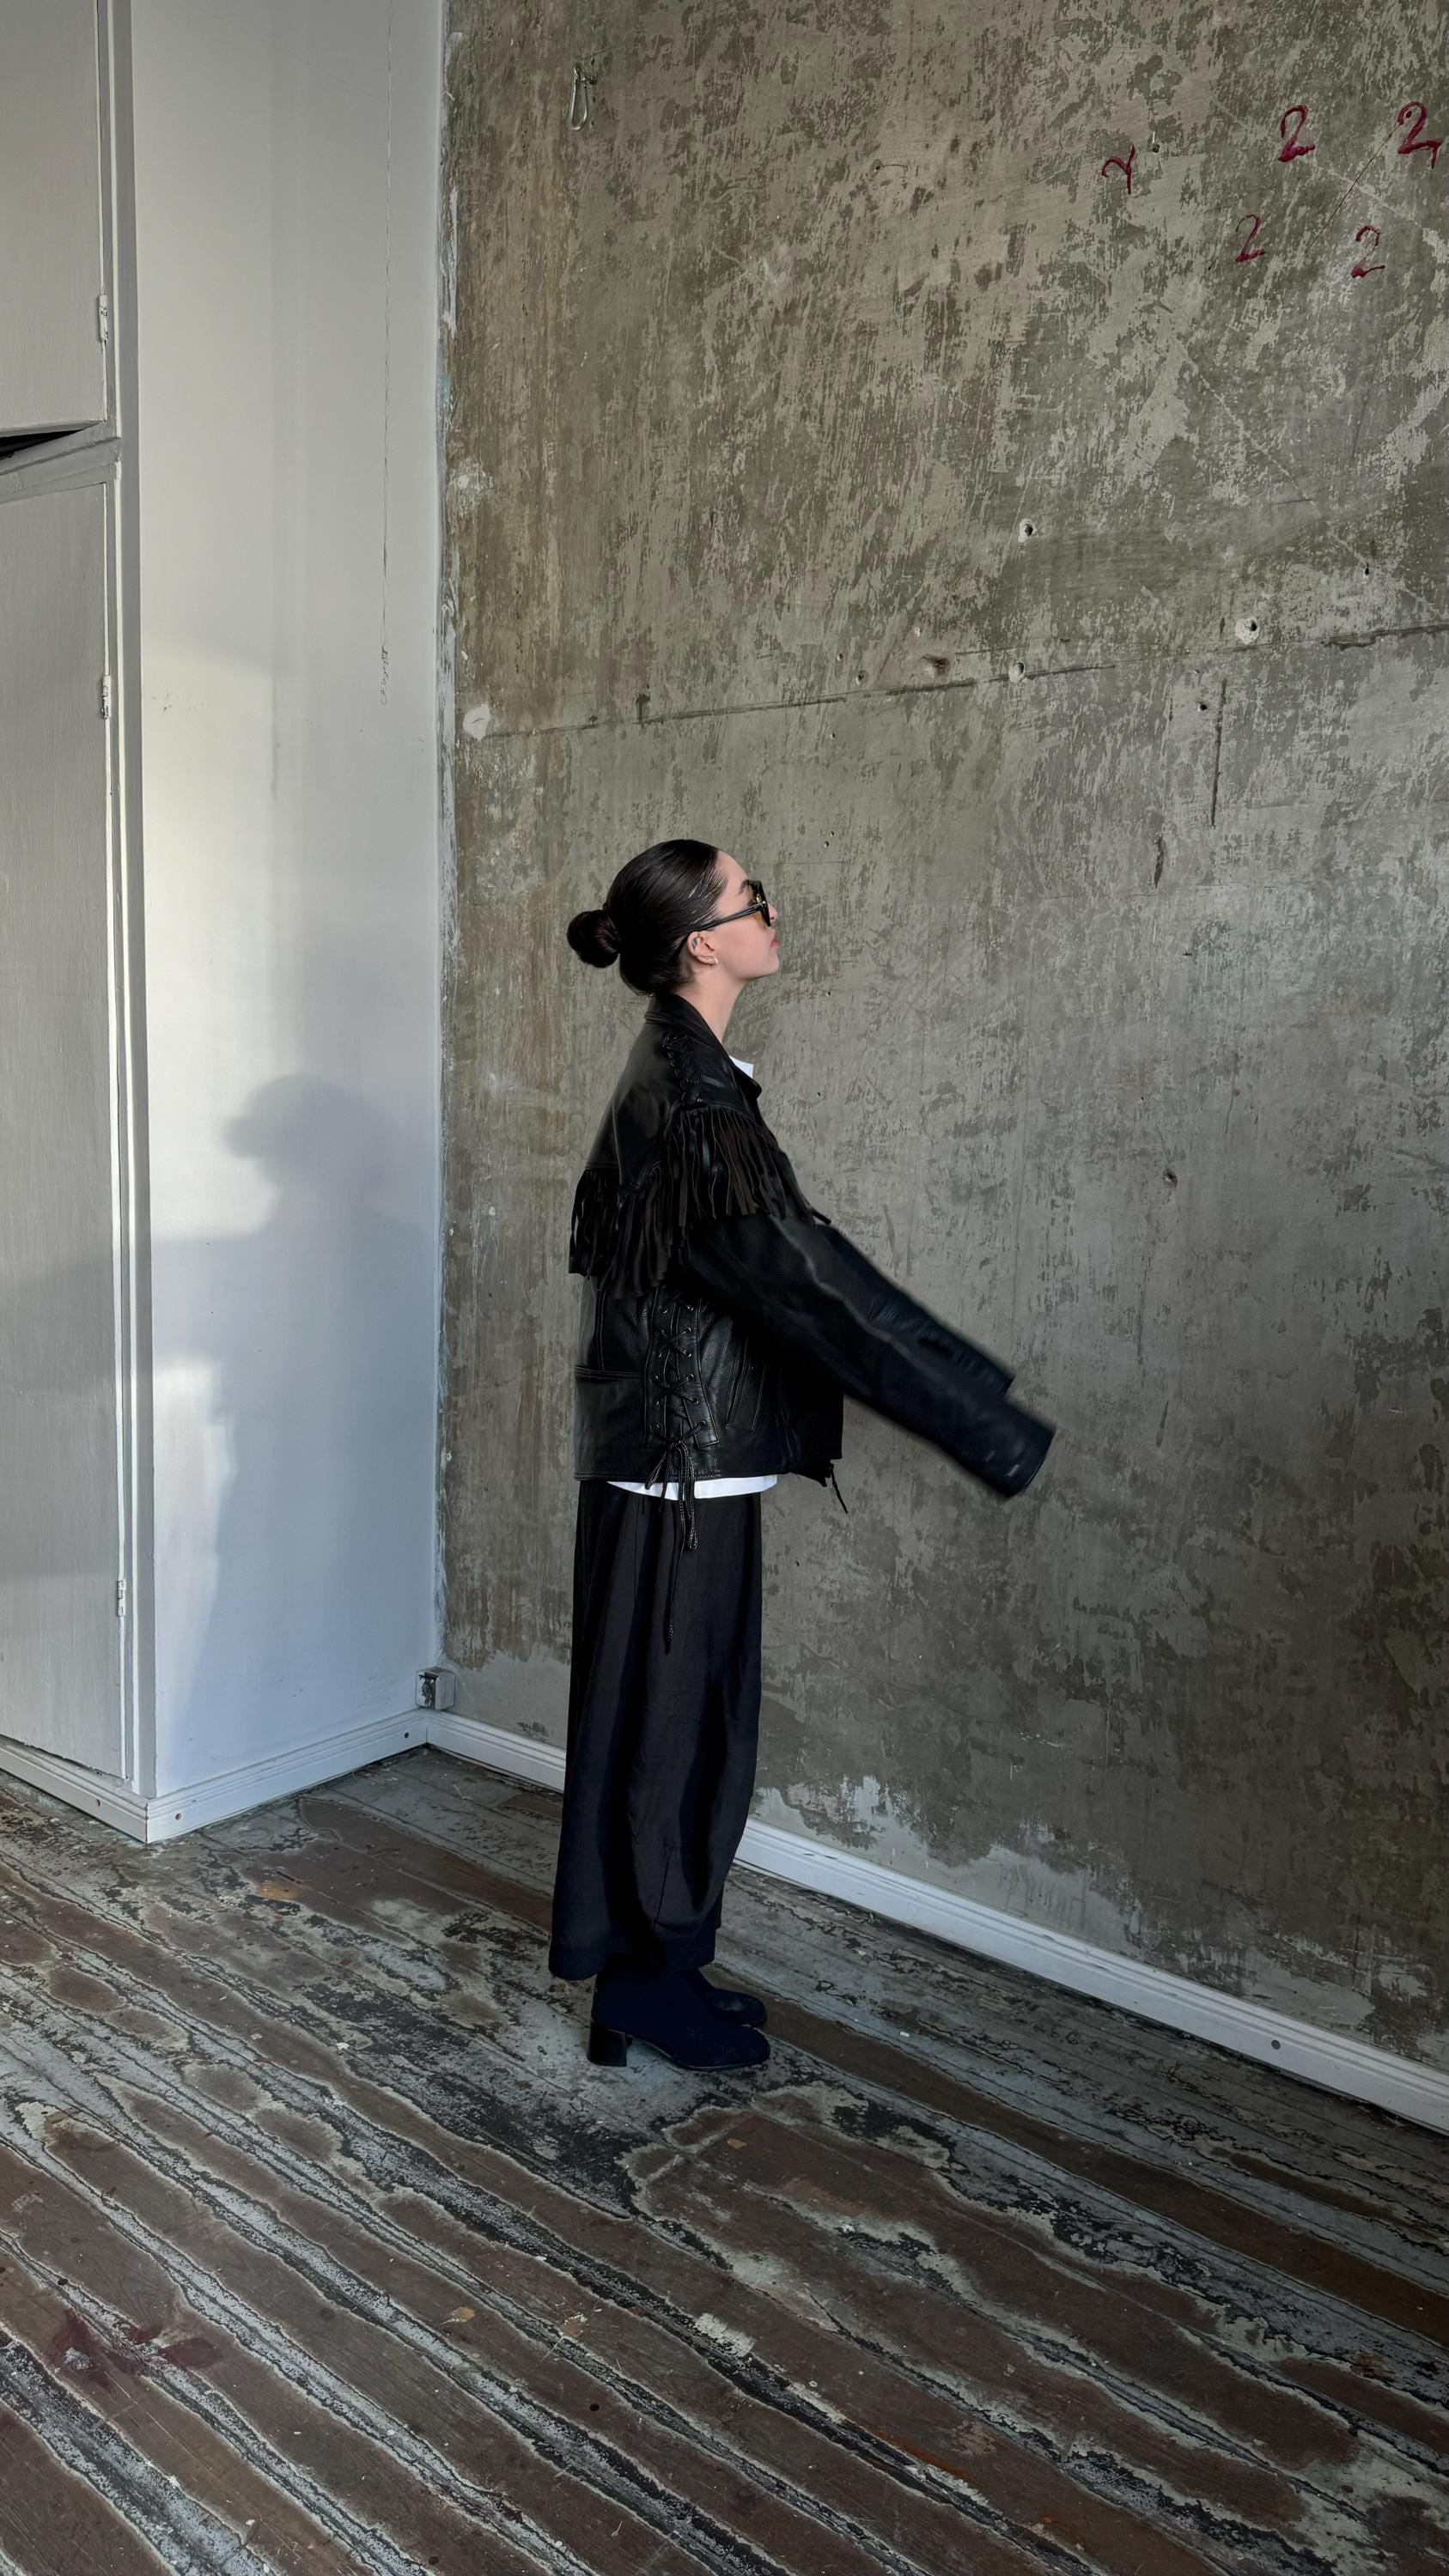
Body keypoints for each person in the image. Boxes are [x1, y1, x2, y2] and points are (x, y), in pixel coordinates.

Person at [551, 837, 1054, 2072]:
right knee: (670, 1735)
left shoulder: (692, 1076)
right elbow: (811, 1295)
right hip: (677, 1466)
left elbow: (806, 1261)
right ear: (703, 944)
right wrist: (978, 1420)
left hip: (689, 1459)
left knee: (691, 1724)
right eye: (749, 899)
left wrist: (969, 1380)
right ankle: (641, 1987)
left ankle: (664, 1971)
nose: (773, 912)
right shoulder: (693, 1098)